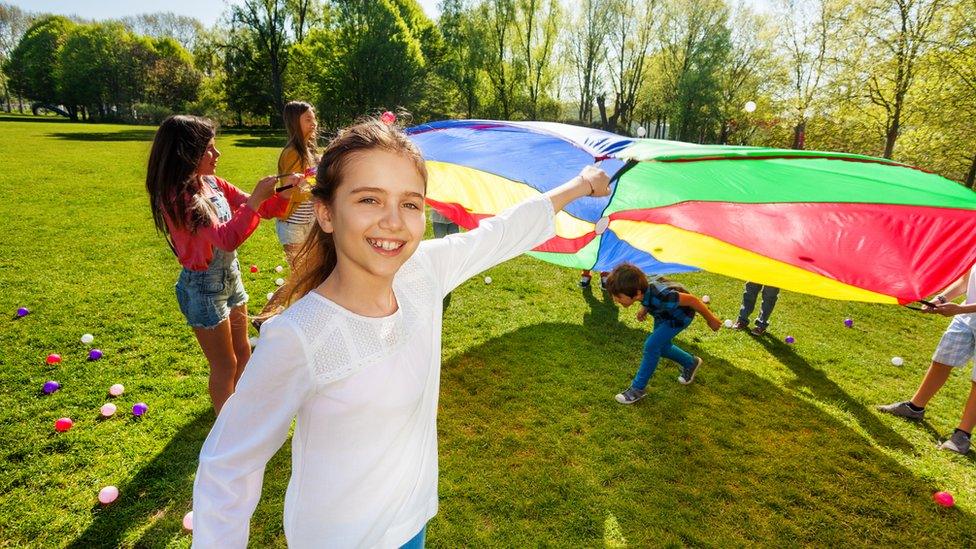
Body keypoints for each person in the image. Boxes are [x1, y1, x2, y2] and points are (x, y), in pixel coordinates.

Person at [191, 115, 612, 547]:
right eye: (370, 199)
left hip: (412, 522)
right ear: (326, 213)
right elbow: (228, 468)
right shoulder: (300, 336)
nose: (394, 221)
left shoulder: (423, 273)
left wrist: (580, 184)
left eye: (410, 203)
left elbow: (501, 233)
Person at [146, 115, 293, 414]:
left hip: (230, 277)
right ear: (186, 153)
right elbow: (226, 239)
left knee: (242, 352)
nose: (217, 155)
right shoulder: (181, 198)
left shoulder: (212, 183)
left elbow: (254, 204)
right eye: (209, 149)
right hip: (203, 288)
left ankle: (243, 411)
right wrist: (254, 203)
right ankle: (227, 428)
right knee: (225, 365)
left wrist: (283, 193)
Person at [877, 269, 976, 455]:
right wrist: (941, 299)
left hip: (964, 311)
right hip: (965, 318)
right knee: (941, 361)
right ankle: (915, 407)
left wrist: (960, 309)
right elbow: (965, 281)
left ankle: (962, 435)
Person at [605, 264, 721, 404]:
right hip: (663, 315)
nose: (615, 300)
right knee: (663, 347)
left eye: (618, 297)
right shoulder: (642, 288)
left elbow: (693, 300)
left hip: (679, 317)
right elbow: (648, 295)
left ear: (636, 293)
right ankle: (690, 362)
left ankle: (637, 389)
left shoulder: (664, 296)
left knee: (652, 346)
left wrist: (711, 319)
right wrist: (645, 308)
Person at [256, 101, 320, 326]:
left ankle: (293, 317)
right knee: (300, 275)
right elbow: (287, 190)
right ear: (295, 123)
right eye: (308, 119)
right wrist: (308, 184)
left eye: (313, 118)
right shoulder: (292, 152)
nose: (314, 123)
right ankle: (265, 318)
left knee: (308, 274)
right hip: (292, 223)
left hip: (309, 222)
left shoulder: (309, 150)